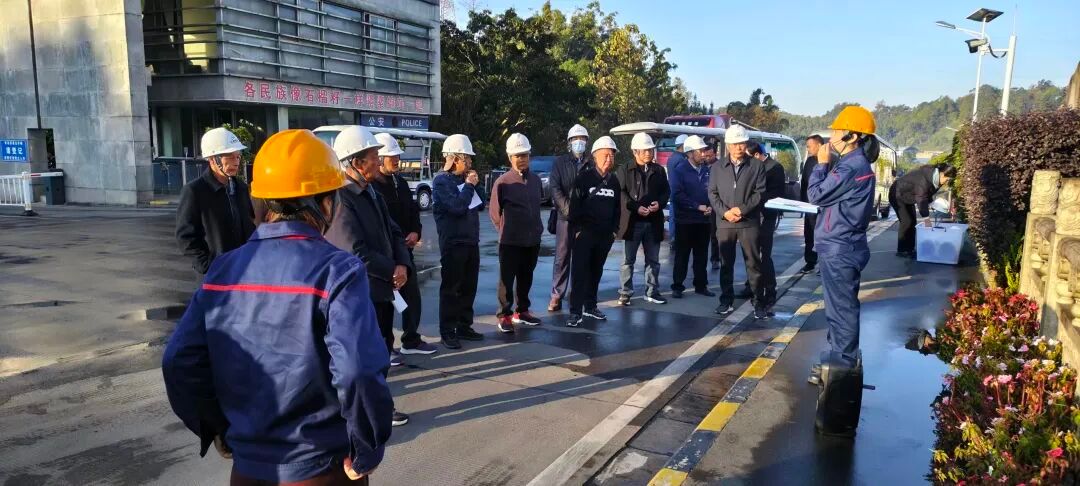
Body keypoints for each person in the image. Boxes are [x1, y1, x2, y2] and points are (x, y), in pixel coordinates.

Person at [162, 129, 393, 485]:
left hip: (248, 471)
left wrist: (219, 428)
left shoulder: (222, 270)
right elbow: (357, 370)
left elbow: (179, 361)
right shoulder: (338, 271)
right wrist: (367, 447)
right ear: (326, 203)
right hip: (322, 470)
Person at [325, 126, 411, 428]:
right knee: (363, 357)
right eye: (374, 155)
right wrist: (391, 269)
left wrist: (402, 263)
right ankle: (364, 412)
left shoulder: (371, 191)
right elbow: (354, 250)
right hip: (360, 294)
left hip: (382, 289)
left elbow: (394, 230)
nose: (379, 160)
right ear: (356, 162)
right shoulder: (341, 198)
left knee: (382, 349)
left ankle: (378, 405)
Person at [807, 105, 879, 372]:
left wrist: (821, 165)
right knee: (838, 309)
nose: (832, 136)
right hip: (841, 244)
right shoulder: (853, 164)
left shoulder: (851, 167)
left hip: (840, 246)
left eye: (837, 131)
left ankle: (843, 369)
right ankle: (838, 362)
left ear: (852, 136)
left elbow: (816, 195)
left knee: (841, 311)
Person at [370, 132, 437, 355]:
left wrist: (416, 232)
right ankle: (385, 349)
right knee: (384, 304)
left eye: (397, 156)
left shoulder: (400, 182)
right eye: (392, 156)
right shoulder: (373, 187)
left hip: (404, 252)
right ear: (380, 158)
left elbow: (413, 212)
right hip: (383, 254)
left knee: (411, 297)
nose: (397, 160)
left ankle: (411, 340)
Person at [175, 127, 256, 282]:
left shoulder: (241, 188)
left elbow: (250, 225)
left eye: (238, 156)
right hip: (214, 277)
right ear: (212, 159)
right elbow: (185, 237)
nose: (236, 162)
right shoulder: (195, 191)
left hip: (243, 272)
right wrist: (207, 266)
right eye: (230, 157)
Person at [708, 125, 768, 318]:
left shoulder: (756, 166)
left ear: (746, 143)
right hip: (725, 223)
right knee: (726, 264)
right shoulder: (717, 167)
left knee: (754, 264)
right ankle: (726, 301)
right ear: (728, 145)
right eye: (734, 144)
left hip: (748, 223)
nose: (738, 147)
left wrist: (741, 210)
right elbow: (712, 193)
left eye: (741, 143)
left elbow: (760, 193)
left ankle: (758, 302)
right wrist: (725, 212)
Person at [433, 134, 486, 350]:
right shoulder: (441, 181)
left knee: (468, 287)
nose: (470, 162)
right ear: (455, 159)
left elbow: (480, 204)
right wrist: (469, 186)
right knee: (451, 289)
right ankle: (447, 331)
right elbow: (457, 207)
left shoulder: (465, 180)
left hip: (470, 241)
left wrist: (475, 185)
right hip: (453, 243)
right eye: (467, 158)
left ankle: (464, 325)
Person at [489, 133, 544, 333]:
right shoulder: (502, 182)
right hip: (510, 241)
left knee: (526, 277)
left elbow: (538, 205)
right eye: (518, 155)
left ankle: (522, 311)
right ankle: (504, 315)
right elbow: (494, 213)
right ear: (510, 157)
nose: (522, 159)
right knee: (506, 279)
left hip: (532, 240)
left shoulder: (536, 180)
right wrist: (506, 230)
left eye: (525, 155)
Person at [566, 136, 623, 327]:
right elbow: (574, 206)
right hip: (585, 235)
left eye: (612, 155)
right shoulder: (583, 178)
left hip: (605, 236)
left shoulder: (613, 181)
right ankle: (575, 311)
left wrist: (614, 231)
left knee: (596, 271)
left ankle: (590, 306)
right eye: (605, 155)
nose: (609, 158)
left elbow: (617, 209)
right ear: (595, 156)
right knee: (579, 273)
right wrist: (578, 230)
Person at [616, 133, 670, 306]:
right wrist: (635, 206)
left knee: (653, 260)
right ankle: (625, 293)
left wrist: (659, 203)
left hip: (653, 222)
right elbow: (620, 192)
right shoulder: (625, 169)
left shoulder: (658, 170)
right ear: (635, 151)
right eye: (645, 150)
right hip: (632, 222)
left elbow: (666, 191)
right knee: (628, 260)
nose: (648, 153)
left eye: (650, 150)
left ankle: (652, 291)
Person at [548, 124, 592, 312]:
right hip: (564, 218)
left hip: (585, 219)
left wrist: (584, 212)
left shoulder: (591, 163)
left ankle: (578, 294)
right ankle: (557, 295)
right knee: (562, 257)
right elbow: (555, 188)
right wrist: (569, 209)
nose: (579, 142)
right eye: (575, 139)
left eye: (582, 139)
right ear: (569, 142)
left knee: (582, 257)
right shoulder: (560, 163)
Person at [668, 135, 716, 299]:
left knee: (701, 255)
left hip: (703, 220)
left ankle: (701, 285)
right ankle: (677, 286)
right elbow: (677, 195)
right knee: (682, 255)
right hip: (685, 220)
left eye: (703, 151)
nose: (703, 154)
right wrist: (697, 206)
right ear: (689, 153)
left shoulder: (707, 170)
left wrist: (710, 206)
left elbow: (712, 191)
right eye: (699, 151)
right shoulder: (680, 170)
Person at [746, 142, 786, 313]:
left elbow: (776, 194)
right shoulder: (752, 167)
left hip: (766, 216)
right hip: (751, 216)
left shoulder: (774, 168)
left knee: (763, 255)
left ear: (756, 155)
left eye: (748, 157)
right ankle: (752, 287)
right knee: (751, 254)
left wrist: (756, 199)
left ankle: (770, 291)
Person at [889, 162, 956, 258]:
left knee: (912, 221)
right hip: (896, 194)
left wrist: (932, 202)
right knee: (906, 222)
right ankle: (902, 250)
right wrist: (926, 218)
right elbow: (921, 198)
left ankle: (910, 249)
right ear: (942, 174)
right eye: (947, 179)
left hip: (908, 197)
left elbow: (927, 193)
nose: (947, 182)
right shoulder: (924, 179)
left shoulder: (936, 179)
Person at [800, 134, 826, 273]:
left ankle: (824, 264)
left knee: (822, 236)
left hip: (824, 208)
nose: (808, 149)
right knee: (809, 235)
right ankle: (810, 261)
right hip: (809, 206)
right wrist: (802, 203)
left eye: (810, 146)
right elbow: (804, 183)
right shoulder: (809, 161)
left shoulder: (831, 160)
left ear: (819, 145)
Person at [702, 142, 722, 270]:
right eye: (706, 156)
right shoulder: (701, 166)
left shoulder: (720, 166)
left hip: (715, 204)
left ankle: (715, 259)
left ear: (715, 154)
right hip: (701, 204)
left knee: (714, 234)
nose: (707, 158)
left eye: (710, 156)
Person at [666, 134, 689, 241]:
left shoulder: (671, 157)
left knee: (673, 217)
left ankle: (673, 239)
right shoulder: (682, 159)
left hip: (672, 192)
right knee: (678, 218)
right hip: (680, 193)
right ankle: (675, 239)